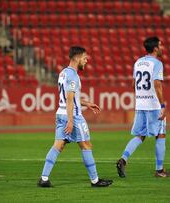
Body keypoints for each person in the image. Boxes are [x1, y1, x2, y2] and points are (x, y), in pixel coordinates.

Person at [37, 46, 113, 187]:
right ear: (77, 58)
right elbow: (70, 99)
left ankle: (44, 178)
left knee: (58, 146)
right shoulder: (73, 76)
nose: (86, 60)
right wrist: (71, 120)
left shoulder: (63, 73)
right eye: (84, 58)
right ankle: (95, 181)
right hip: (73, 116)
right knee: (86, 145)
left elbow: (69, 98)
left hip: (60, 113)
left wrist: (86, 103)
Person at [116, 37, 170, 178]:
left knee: (140, 135)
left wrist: (140, 99)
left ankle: (123, 159)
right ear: (155, 48)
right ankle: (160, 170)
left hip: (141, 103)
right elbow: (157, 85)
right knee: (160, 135)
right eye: (160, 45)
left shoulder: (138, 62)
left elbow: (133, 84)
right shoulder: (157, 63)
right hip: (153, 105)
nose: (162, 47)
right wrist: (162, 105)